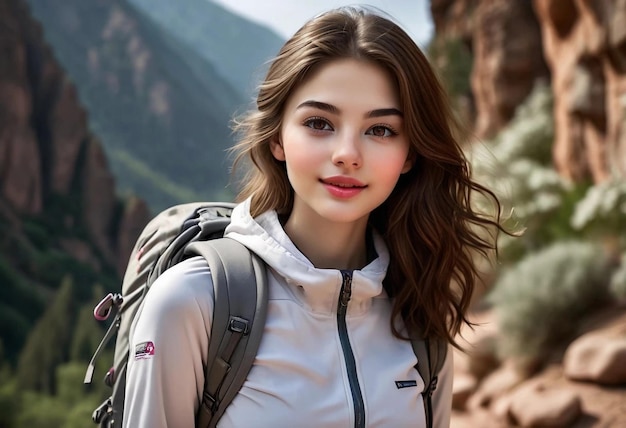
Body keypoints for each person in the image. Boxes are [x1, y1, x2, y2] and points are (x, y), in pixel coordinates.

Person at [123, 6, 506, 428]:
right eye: (320, 123)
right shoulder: (193, 303)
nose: (347, 154)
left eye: (380, 130)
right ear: (277, 138)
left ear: (410, 154)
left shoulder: (418, 316)